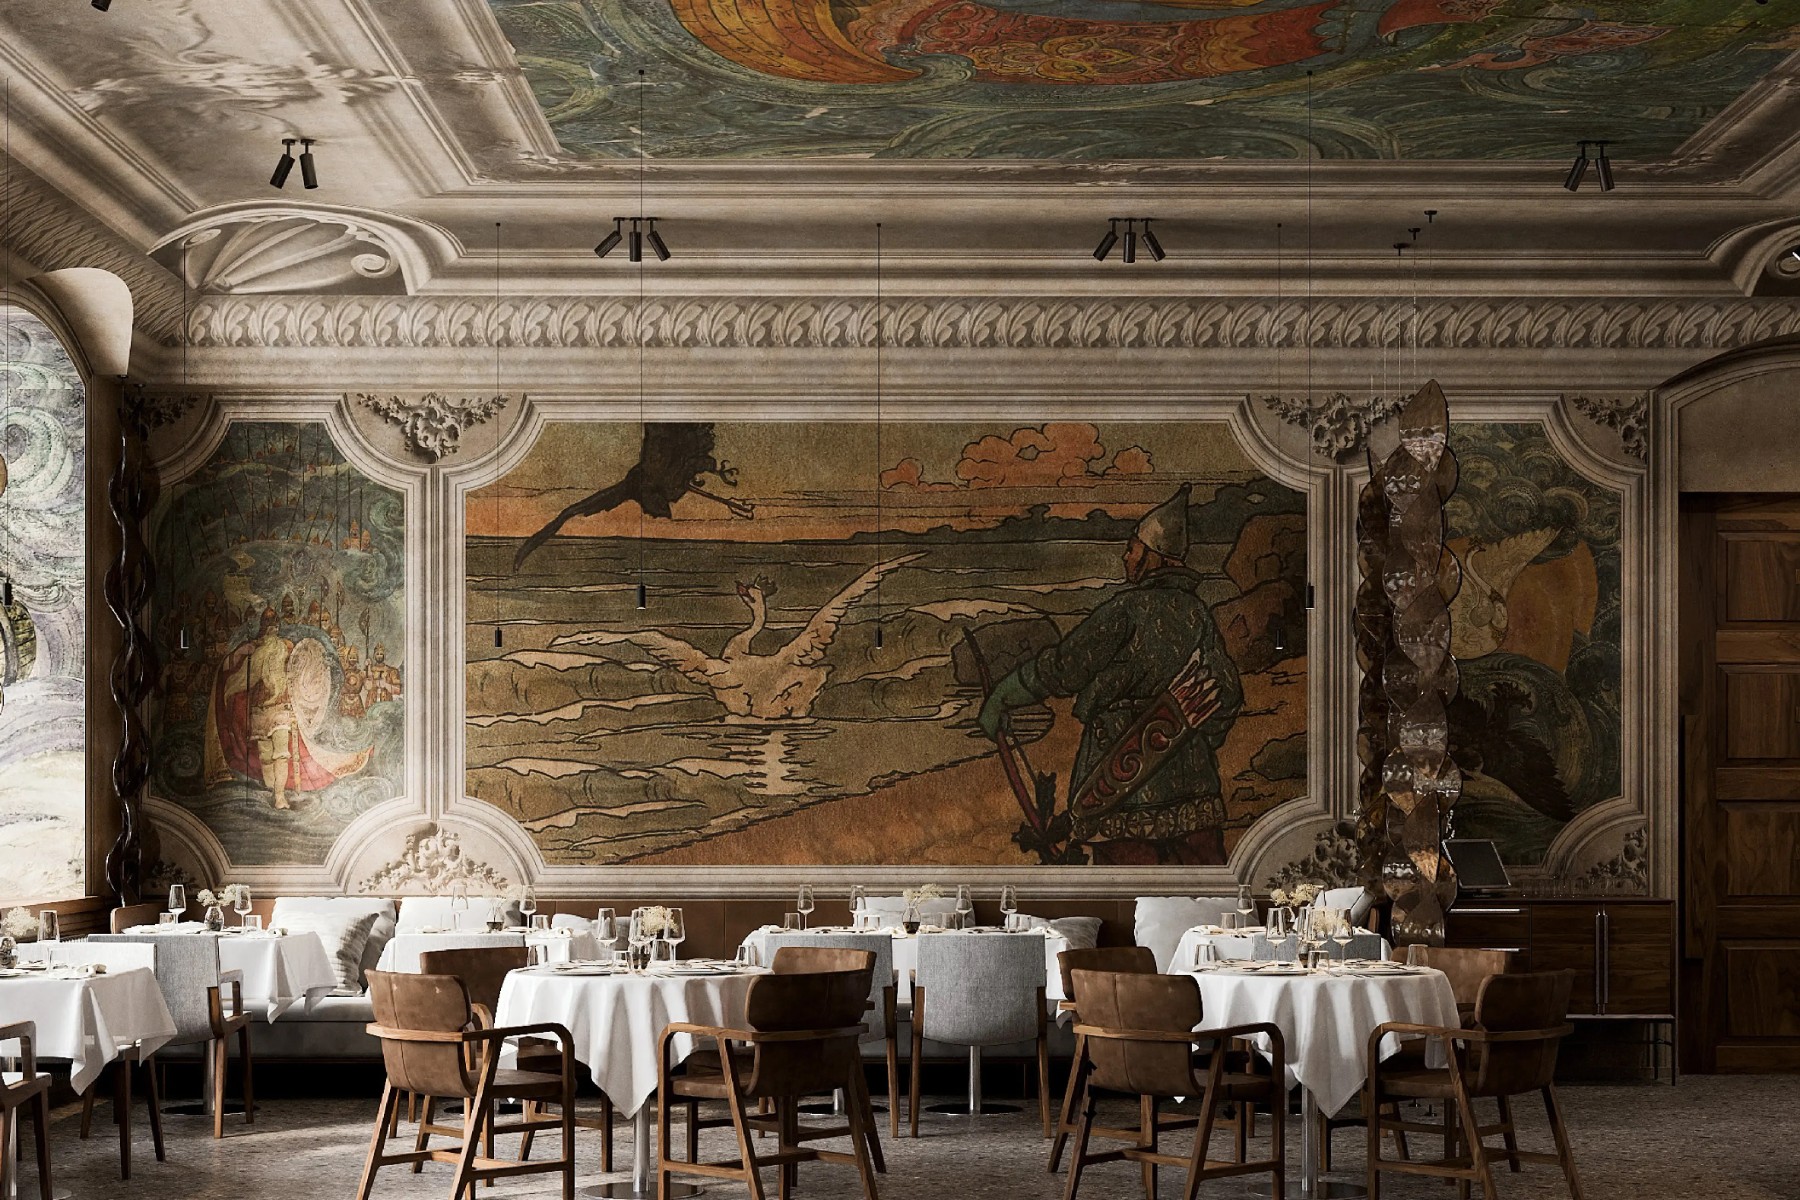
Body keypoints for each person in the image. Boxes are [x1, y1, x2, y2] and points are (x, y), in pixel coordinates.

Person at [978, 484, 1243, 864]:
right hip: (1195, 790)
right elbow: (1227, 692)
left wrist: (1005, 694)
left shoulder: (1125, 610)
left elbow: (1065, 667)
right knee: (1207, 884)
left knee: (1126, 886)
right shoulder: (1198, 613)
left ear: (1153, 557)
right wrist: (1195, 740)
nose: (1125, 556)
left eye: (1132, 548)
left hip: (1120, 795)